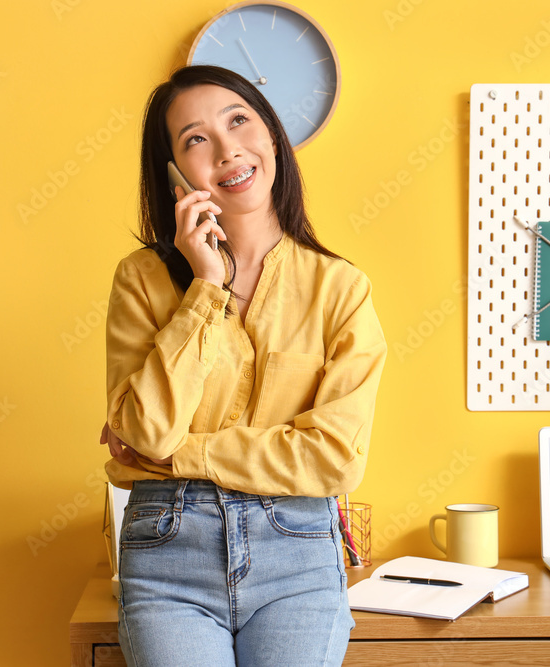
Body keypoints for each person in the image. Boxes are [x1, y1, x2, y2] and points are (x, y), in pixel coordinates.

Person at [99, 65, 387, 667]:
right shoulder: (142, 281)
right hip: (168, 554)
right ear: (176, 175)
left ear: (272, 136)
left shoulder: (341, 289)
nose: (228, 149)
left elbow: (334, 459)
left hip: (298, 553)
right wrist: (206, 285)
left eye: (239, 121)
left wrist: (183, 455)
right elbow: (147, 430)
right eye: (195, 139)